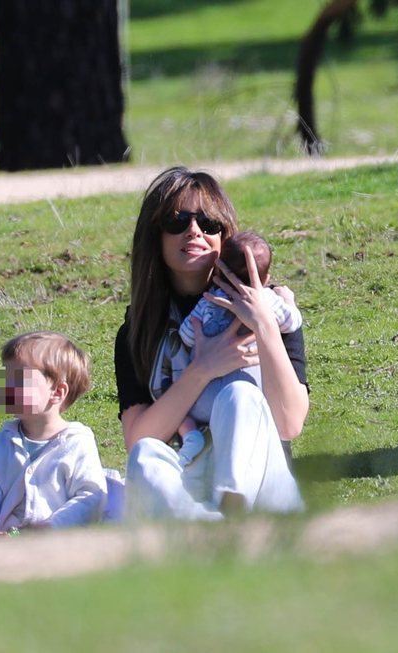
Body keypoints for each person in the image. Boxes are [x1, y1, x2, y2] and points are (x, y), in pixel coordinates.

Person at [114, 166, 308, 521]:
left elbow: (289, 423)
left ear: (224, 236)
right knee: (145, 459)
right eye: (177, 221)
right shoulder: (138, 331)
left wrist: (262, 325)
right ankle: (209, 525)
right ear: (155, 235)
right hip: (191, 473)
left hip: (263, 480)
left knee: (240, 396)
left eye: (208, 223)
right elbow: (140, 438)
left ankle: (232, 507)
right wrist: (204, 368)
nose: (194, 231)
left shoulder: (271, 307)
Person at [0, 331, 107, 539]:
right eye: (5, 378)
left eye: (19, 381)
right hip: (2, 541)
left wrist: (52, 526)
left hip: (58, 544)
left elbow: (91, 496)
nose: (7, 388)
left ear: (57, 392)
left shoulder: (76, 443)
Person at [175, 230, 303, 465]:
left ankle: (191, 434)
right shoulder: (268, 300)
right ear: (265, 279)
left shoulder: (208, 300)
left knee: (176, 398)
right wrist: (287, 299)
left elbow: (186, 335)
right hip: (251, 400)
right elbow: (292, 322)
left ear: (219, 273)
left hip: (205, 402)